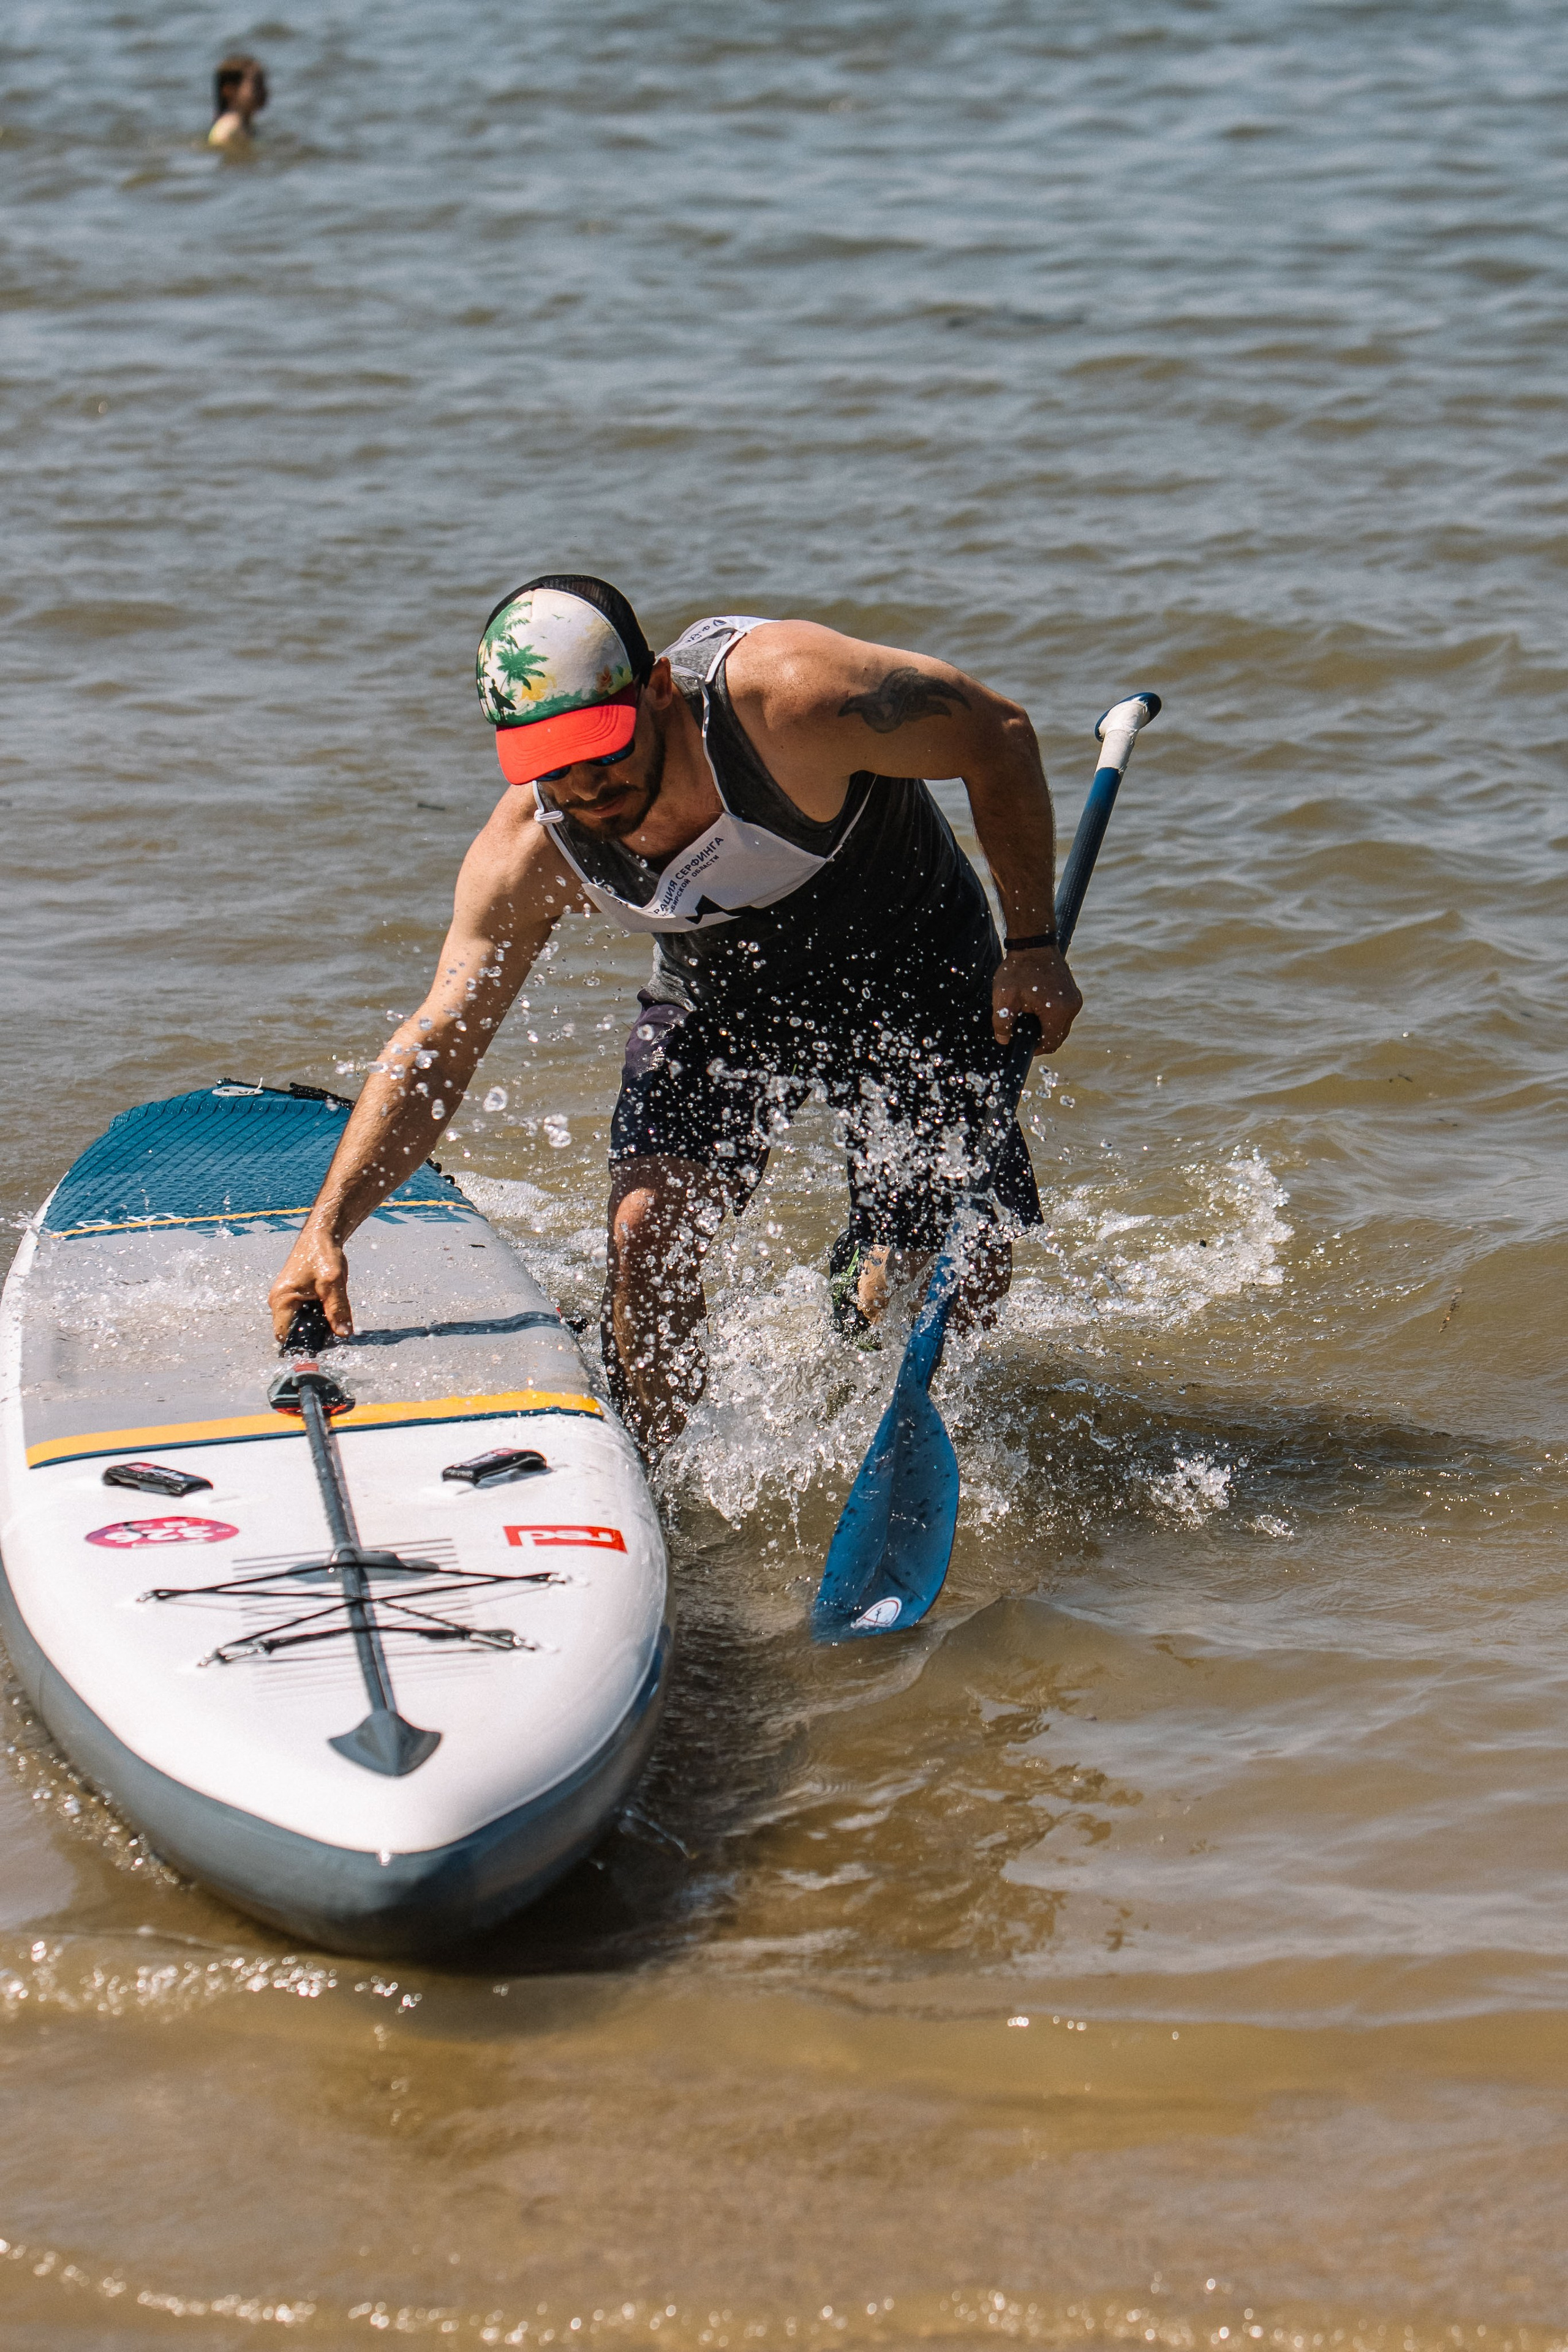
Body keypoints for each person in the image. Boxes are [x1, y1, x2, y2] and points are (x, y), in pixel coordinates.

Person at [269, 577, 1083, 1455]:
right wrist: (326, 1231)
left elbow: (995, 734)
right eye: (553, 761)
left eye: (602, 747)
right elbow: (440, 1042)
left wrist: (1032, 946)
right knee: (644, 1228)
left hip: (913, 962)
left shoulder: (792, 702)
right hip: (724, 996)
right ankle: (655, 1478)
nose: (586, 786)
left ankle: (884, 1317)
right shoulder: (531, 849)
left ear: (658, 688)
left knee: (954, 1278)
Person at [209, 56, 267, 149]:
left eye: (263, 85)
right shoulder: (227, 129)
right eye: (257, 86)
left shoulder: (245, 125)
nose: (263, 92)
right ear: (229, 91)